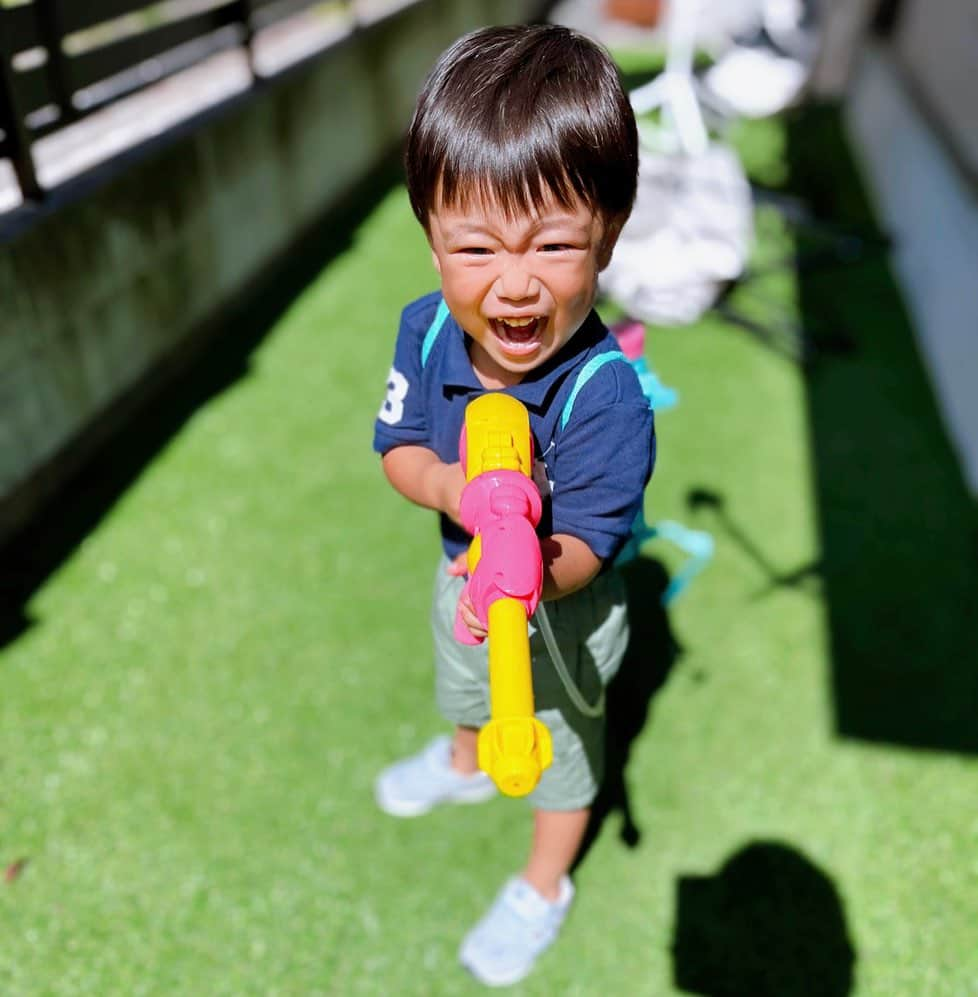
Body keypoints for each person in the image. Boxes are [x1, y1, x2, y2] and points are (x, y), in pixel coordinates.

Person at [372, 23, 654, 988]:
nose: (516, 283)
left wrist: (534, 570)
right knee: (464, 682)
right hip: (462, 576)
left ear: (606, 238)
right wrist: (455, 490)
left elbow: (596, 540)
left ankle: (544, 883)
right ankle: (465, 756)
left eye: (555, 244)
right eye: (477, 246)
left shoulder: (603, 394)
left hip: (561, 616)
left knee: (564, 757)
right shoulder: (426, 330)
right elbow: (400, 451)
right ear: (432, 237)